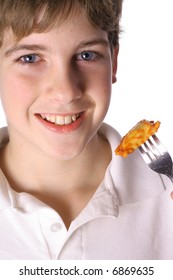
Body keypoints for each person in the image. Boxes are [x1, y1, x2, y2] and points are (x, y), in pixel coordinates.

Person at [0, 0, 172, 260]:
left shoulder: (165, 193)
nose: (66, 91)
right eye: (30, 58)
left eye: (87, 55)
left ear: (114, 61)